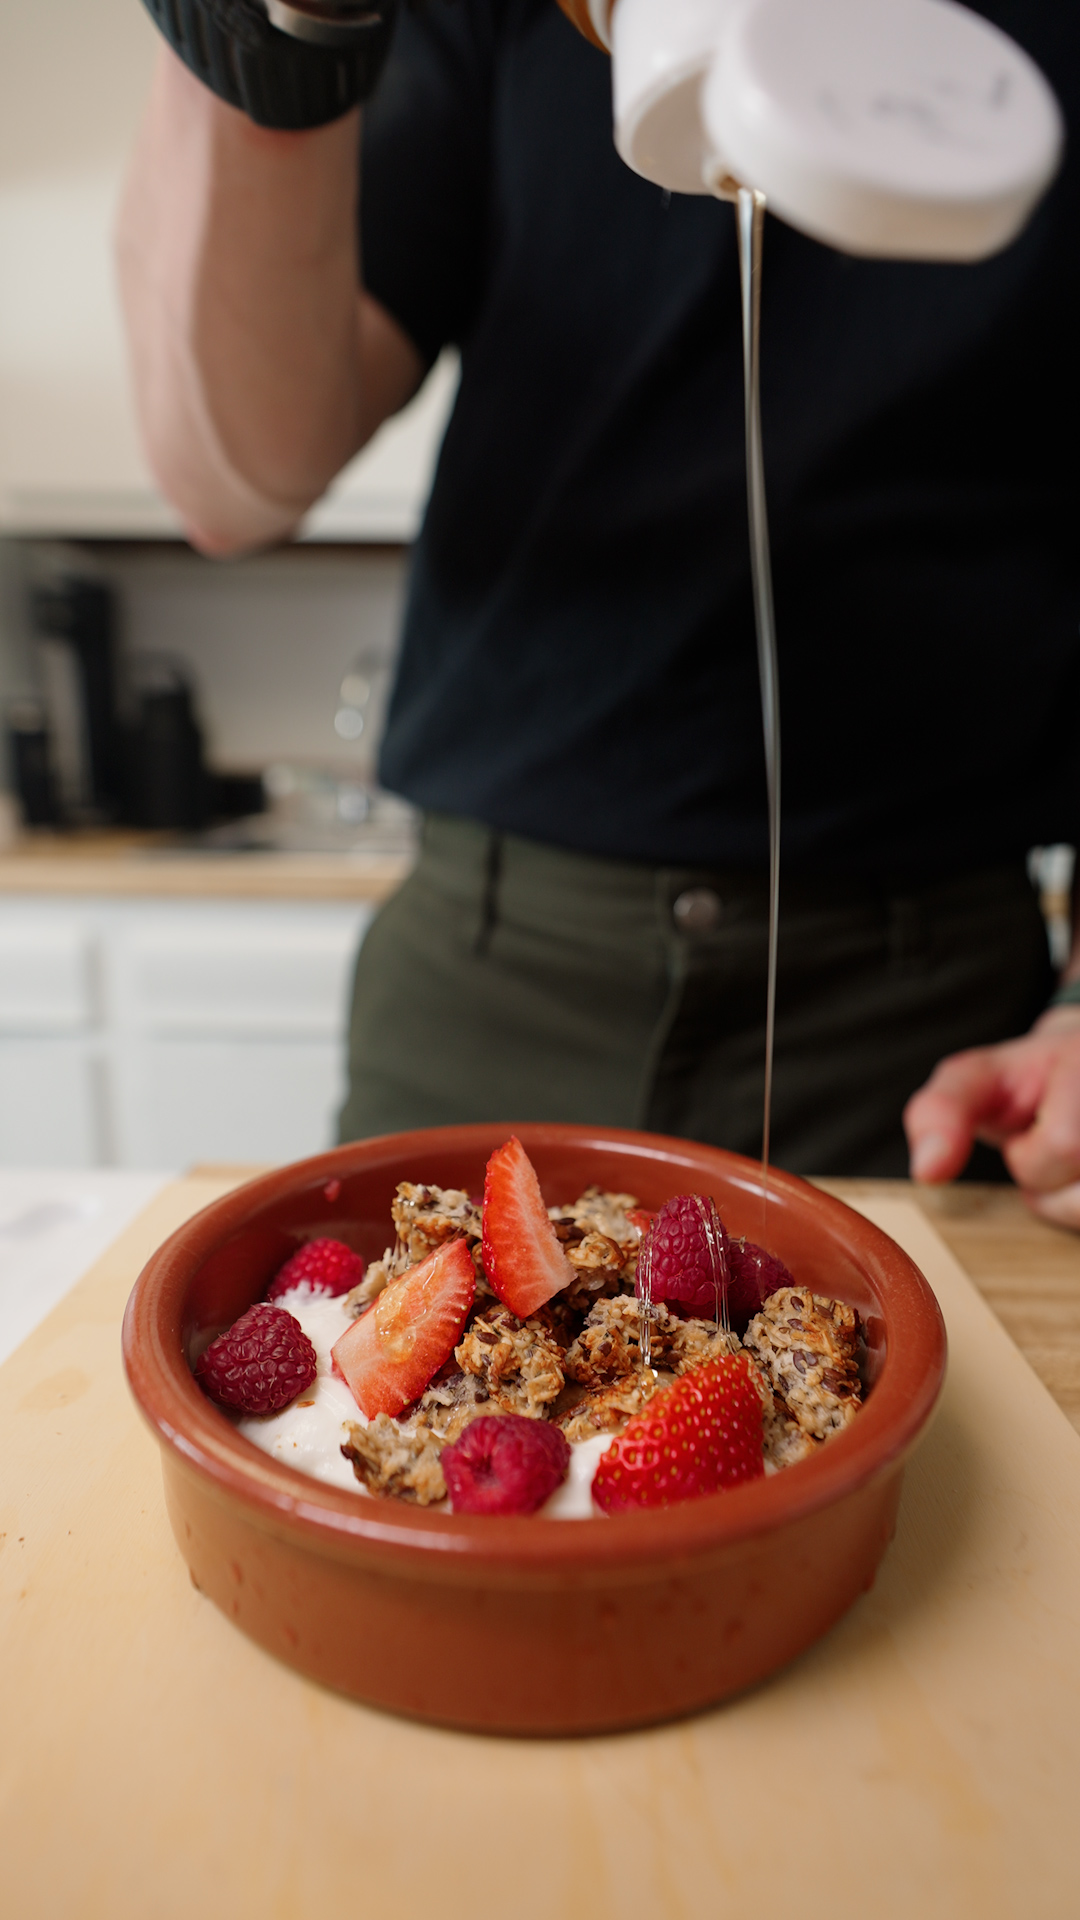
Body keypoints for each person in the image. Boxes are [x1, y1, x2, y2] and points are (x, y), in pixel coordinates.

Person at [116, 0, 1080, 1222]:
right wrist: (283, 30)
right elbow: (234, 481)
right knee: (389, 1350)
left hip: (924, 1027)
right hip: (496, 977)